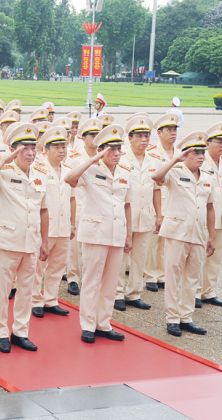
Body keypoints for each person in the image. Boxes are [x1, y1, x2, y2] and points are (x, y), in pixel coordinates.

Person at [0, 123, 49, 353]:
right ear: (13, 149)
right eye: (24, 148)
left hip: (31, 241)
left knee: (26, 291)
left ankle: (20, 332)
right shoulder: (4, 173)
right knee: (2, 291)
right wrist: (3, 161)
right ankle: (1, 332)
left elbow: (43, 210)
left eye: (33, 147)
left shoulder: (40, 175)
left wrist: (45, 242)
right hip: (8, 241)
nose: (30, 152)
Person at [65, 125, 132, 344]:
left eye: (118, 149)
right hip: (95, 233)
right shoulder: (90, 170)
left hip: (116, 233)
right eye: (111, 149)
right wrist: (93, 160)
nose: (116, 153)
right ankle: (87, 325)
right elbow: (69, 179)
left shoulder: (124, 172)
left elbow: (127, 205)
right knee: (92, 280)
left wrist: (128, 235)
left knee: (111, 282)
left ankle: (103, 323)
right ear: (101, 150)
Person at [151, 131, 215, 337]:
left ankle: (186, 317)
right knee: (172, 276)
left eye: (202, 152)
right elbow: (156, 177)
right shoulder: (176, 172)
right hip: (177, 232)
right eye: (195, 152)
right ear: (185, 154)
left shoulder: (207, 177)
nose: (200, 156)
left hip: (198, 234)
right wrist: (174, 160)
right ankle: (172, 318)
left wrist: (211, 236)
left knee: (192, 277)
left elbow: (211, 208)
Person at [115, 115, 159, 312]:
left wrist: (159, 215)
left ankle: (134, 293)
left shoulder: (154, 160)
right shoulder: (121, 159)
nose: (144, 140)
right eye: (139, 136)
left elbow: (157, 189)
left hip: (145, 215)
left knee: (140, 257)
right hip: (125, 215)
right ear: (129, 138)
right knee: (121, 256)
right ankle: (117, 292)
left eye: (147, 136)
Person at [31, 126, 72, 319]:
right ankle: (35, 299)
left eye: (63, 146)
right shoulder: (38, 170)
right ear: (46, 149)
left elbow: (72, 198)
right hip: (45, 227)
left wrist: (72, 223)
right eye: (56, 147)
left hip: (63, 226)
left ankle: (51, 299)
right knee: (39, 266)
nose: (61, 150)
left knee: (57, 265)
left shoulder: (69, 171)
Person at [198, 122, 222, 308]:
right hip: (204, 218)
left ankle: (208, 291)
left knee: (215, 256)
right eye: (219, 141)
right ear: (208, 143)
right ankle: (194, 292)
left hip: (221, 216)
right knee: (200, 255)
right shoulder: (200, 162)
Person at [144, 113, 180, 293]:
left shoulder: (181, 152)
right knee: (153, 242)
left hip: (175, 204)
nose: (173, 133)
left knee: (167, 243)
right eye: (169, 130)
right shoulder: (151, 153)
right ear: (159, 133)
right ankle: (151, 275)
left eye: (175, 130)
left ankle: (163, 274)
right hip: (156, 203)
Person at [65, 117, 101, 296]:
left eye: (97, 134)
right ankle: (73, 278)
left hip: (95, 210)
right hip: (78, 207)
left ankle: (88, 279)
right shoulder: (74, 159)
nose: (95, 138)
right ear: (83, 138)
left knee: (91, 249)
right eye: (91, 135)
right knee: (73, 249)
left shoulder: (103, 158)